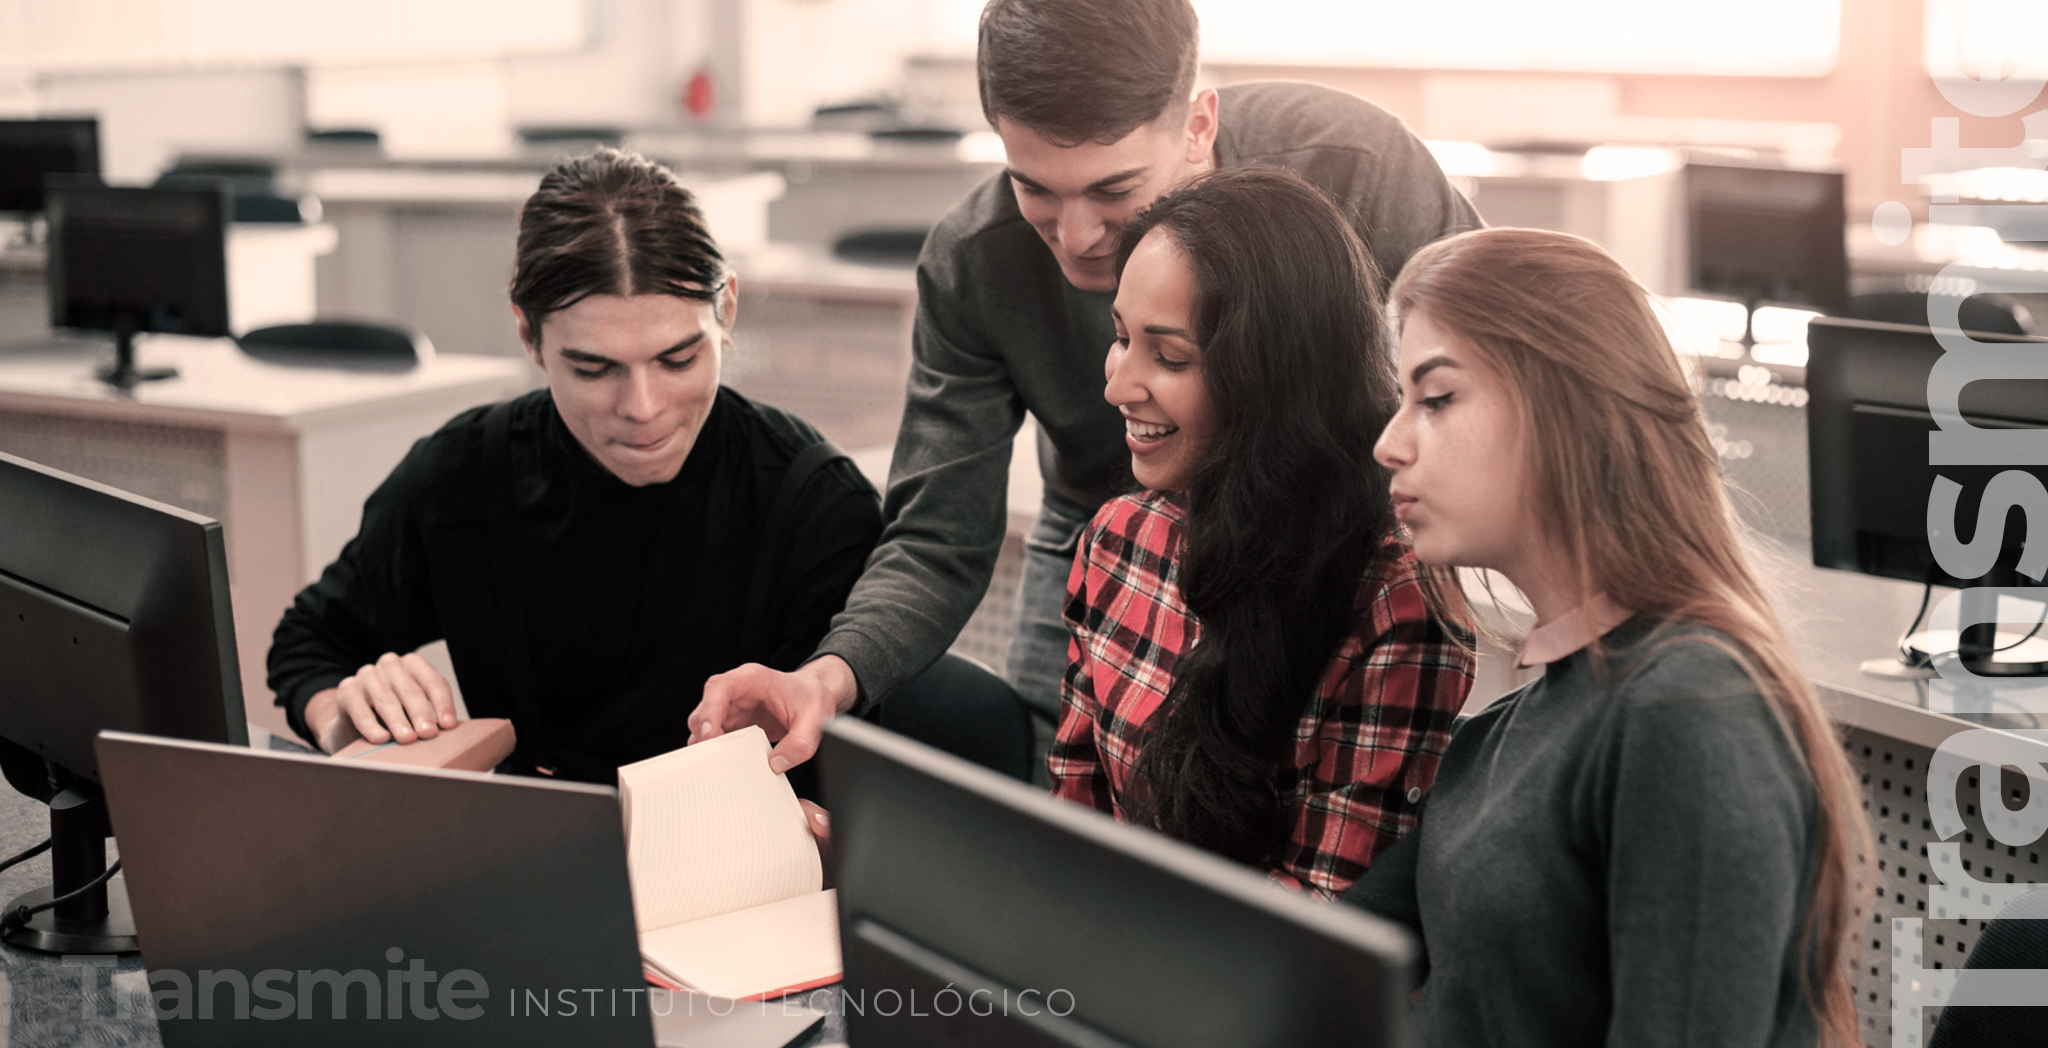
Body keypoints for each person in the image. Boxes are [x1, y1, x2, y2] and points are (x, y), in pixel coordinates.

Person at [691, 0, 1481, 777]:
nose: (1075, 237)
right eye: (1033, 186)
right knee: (1062, 793)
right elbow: (940, 533)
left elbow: (1495, 378)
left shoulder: (1351, 164)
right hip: (1100, 526)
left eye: (1113, 190)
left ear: (1198, 124)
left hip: (1338, 526)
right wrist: (828, 676)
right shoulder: (973, 262)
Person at [1347, 227, 1868, 1045]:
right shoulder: (1506, 733)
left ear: (1568, 409)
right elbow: (1321, 959)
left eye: (1437, 399)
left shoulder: (1689, 709)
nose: (1391, 442)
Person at [267, 148, 883, 783]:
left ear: (726, 311)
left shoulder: (818, 504)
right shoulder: (463, 476)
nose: (642, 408)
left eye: (678, 360)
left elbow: (844, 778)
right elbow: (308, 643)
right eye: (595, 369)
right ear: (528, 336)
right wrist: (345, 713)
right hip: (524, 851)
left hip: (742, 867)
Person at [1048, 167, 1473, 896]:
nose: (1117, 386)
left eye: (1171, 356)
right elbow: (1074, 827)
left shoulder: (1393, 605)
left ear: (1274, 376)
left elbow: (1318, 928)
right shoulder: (1116, 541)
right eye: (1120, 338)